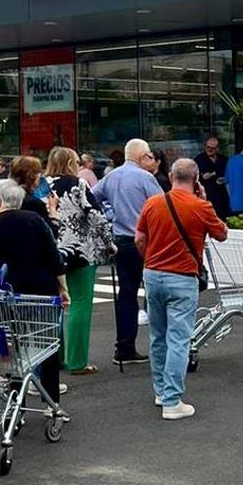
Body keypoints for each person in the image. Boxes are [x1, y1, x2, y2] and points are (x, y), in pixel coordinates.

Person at [135, 159, 227, 420]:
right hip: (182, 276)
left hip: (153, 274)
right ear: (196, 179)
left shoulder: (153, 203)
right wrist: (205, 199)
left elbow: (139, 239)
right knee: (179, 338)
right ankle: (172, 400)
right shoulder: (200, 206)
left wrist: (149, 260)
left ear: (172, 176)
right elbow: (221, 233)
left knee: (158, 336)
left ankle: (161, 391)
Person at [0, 179, 68, 406]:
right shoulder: (34, 220)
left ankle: (15, 401)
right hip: (40, 287)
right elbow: (53, 257)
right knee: (45, 343)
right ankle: (51, 402)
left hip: (5, 290)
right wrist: (63, 288)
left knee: (12, 345)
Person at [92, 138, 163, 366]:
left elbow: (91, 198)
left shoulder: (111, 176)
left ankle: (124, 346)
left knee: (126, 295)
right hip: (145, 241)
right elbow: (162, 206)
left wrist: (109, 215)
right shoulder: (146, 178)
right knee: (155, 292)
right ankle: (160, 345)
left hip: (121, 240)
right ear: (143, 157)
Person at [46, 147, 113, 375]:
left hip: (52, 250)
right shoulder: (78, 185)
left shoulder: (42, 186)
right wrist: (109, 243)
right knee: (79, 304)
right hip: (81, 252)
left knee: (54, 306)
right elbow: (96, 216)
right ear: (69, 163)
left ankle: (55, 357)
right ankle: (77, 361)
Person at [194, 136, 231, 218]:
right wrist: (211, 175)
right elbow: (199, 177)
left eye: (212, 148)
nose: (210, 150)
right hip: (207, 196)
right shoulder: (199, 160)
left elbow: (228, 175)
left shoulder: (223, 159)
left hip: (222, 197)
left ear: (217, 148)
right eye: (208, 147)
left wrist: (224, 179)